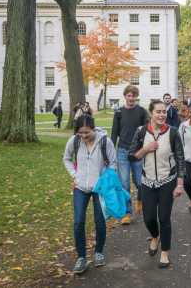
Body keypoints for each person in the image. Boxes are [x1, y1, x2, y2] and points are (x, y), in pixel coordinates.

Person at [128, 100, 185, 268]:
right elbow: (131, 156)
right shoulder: (141, 132)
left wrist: (180, 183)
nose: (162, 115)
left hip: (167, 181)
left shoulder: (173, 132)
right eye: (158, 112)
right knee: (149, 218)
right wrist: (146, 149)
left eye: (164, 112)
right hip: (148, 182)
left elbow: (181, 159)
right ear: (151, 113)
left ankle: (165, 253)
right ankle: (155, 236)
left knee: (164, 218)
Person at [63, 114, 117, 274]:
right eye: (80, 133)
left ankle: (99, 252)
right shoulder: (75, 141)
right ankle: (81, 257)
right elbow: (66, 158)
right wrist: (75, 175)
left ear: (93, 128)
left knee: (100, 222)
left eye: (87, 133)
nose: (84, 136)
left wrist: (105, 181)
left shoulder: (105, 142)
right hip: (80, 187)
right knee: (78, 221)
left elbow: (113, 163)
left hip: (99, 188)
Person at [111, 85, 148, 225]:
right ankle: (127, 213)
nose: (131, 98)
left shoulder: (141, 112)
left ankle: (140, 200)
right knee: (124, 183)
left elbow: (147, 130)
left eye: (133, 95)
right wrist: (109, 151)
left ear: (136, 97)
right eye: (129, 95)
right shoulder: (119, 112)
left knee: (140, 182)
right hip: (122, 151)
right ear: (125, 96)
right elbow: (114, 133)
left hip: (138, 151)